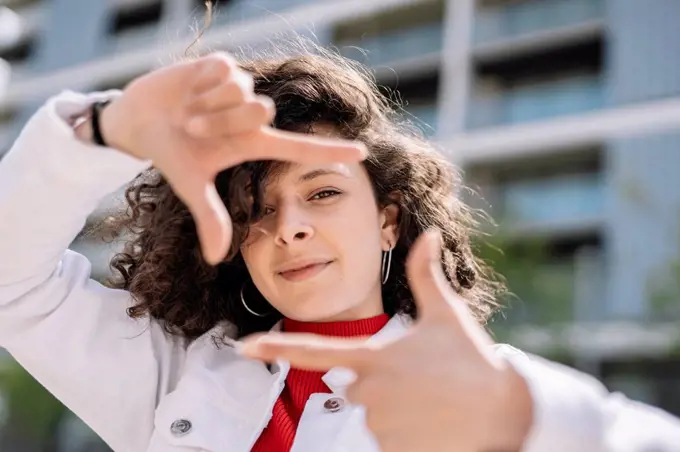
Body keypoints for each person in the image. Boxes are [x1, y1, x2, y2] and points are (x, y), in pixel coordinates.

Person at [0, 46, 678, 452]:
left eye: (322, 193)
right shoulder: (174, 375)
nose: (288, 228)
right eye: (254, 210)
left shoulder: (485, 393)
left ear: (389, 220)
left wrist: (523, 418)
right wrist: (104, 131)